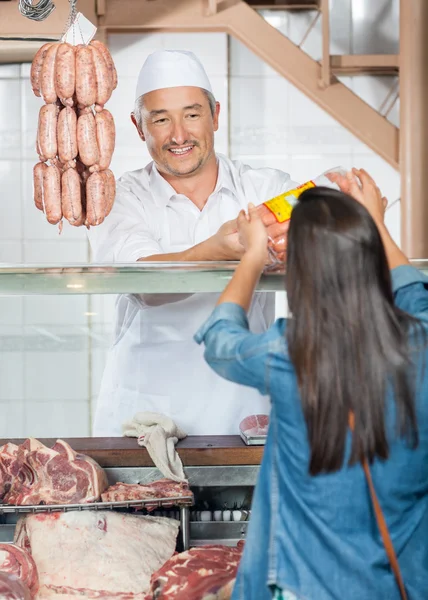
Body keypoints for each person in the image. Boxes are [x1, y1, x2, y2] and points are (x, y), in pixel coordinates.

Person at [195, 169, 428, 599]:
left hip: (306, 587)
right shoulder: (422, 341)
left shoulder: (291, 351)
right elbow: (417, 292)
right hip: (400, 585)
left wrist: (252, 257)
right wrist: (376, 224)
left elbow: (220, 342)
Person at [87, 49, 300, 436]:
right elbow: (143, 285)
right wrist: (215, 251)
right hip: (146, 416)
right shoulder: (119, 197)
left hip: (245, 409)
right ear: (138, 126)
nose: (179, 135)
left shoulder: (267, 188)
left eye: (192, 114)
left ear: (215, 115)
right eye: (161, 119)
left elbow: (316, 244)